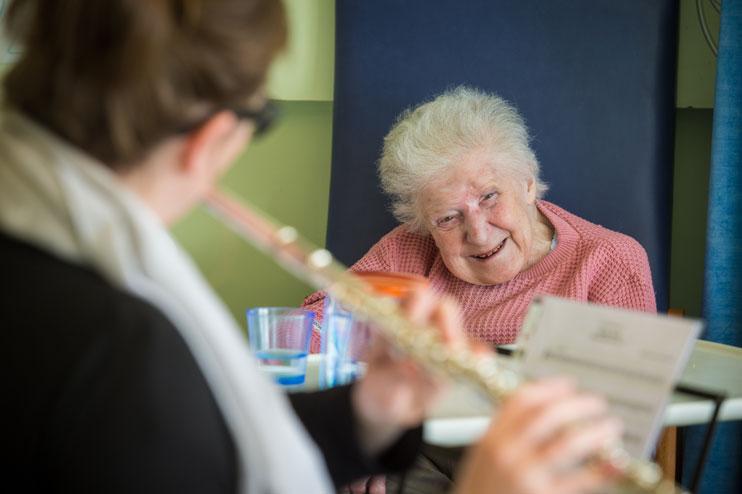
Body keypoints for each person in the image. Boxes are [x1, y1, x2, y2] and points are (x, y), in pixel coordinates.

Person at [0, 1, 621, 493]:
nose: (476, 231)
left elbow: (206, 448)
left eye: (489, 199)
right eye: (262, 117)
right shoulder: (122, 343)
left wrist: (365, 416)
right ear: (213, 137)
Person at [303, 87, 656, 492]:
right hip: (422, 454)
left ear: (527, 182)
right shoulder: (408, 249)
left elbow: (629, 425)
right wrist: (365, 445)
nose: (479, 231)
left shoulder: (607, 261)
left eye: (489, 197)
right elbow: (314, 327)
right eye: (448, 218)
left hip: (546, 467)